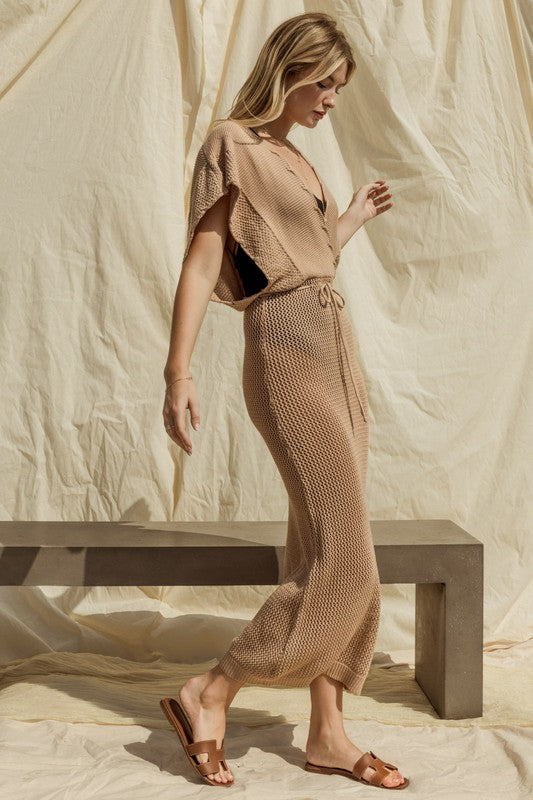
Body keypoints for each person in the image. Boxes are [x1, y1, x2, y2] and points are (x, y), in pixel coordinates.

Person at [160, 11, 408, 792]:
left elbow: (303, 257)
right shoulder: (231, 142)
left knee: (320, 547)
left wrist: (350, 223)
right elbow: (206, 263)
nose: (332, 98)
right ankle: (213, 689)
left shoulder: (299, 160)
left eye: (340, 87)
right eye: (324, 82)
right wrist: (178, 373)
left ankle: (328, 733)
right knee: (348, 558)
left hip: (339, 352)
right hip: (286, 355)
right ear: (289, 67)